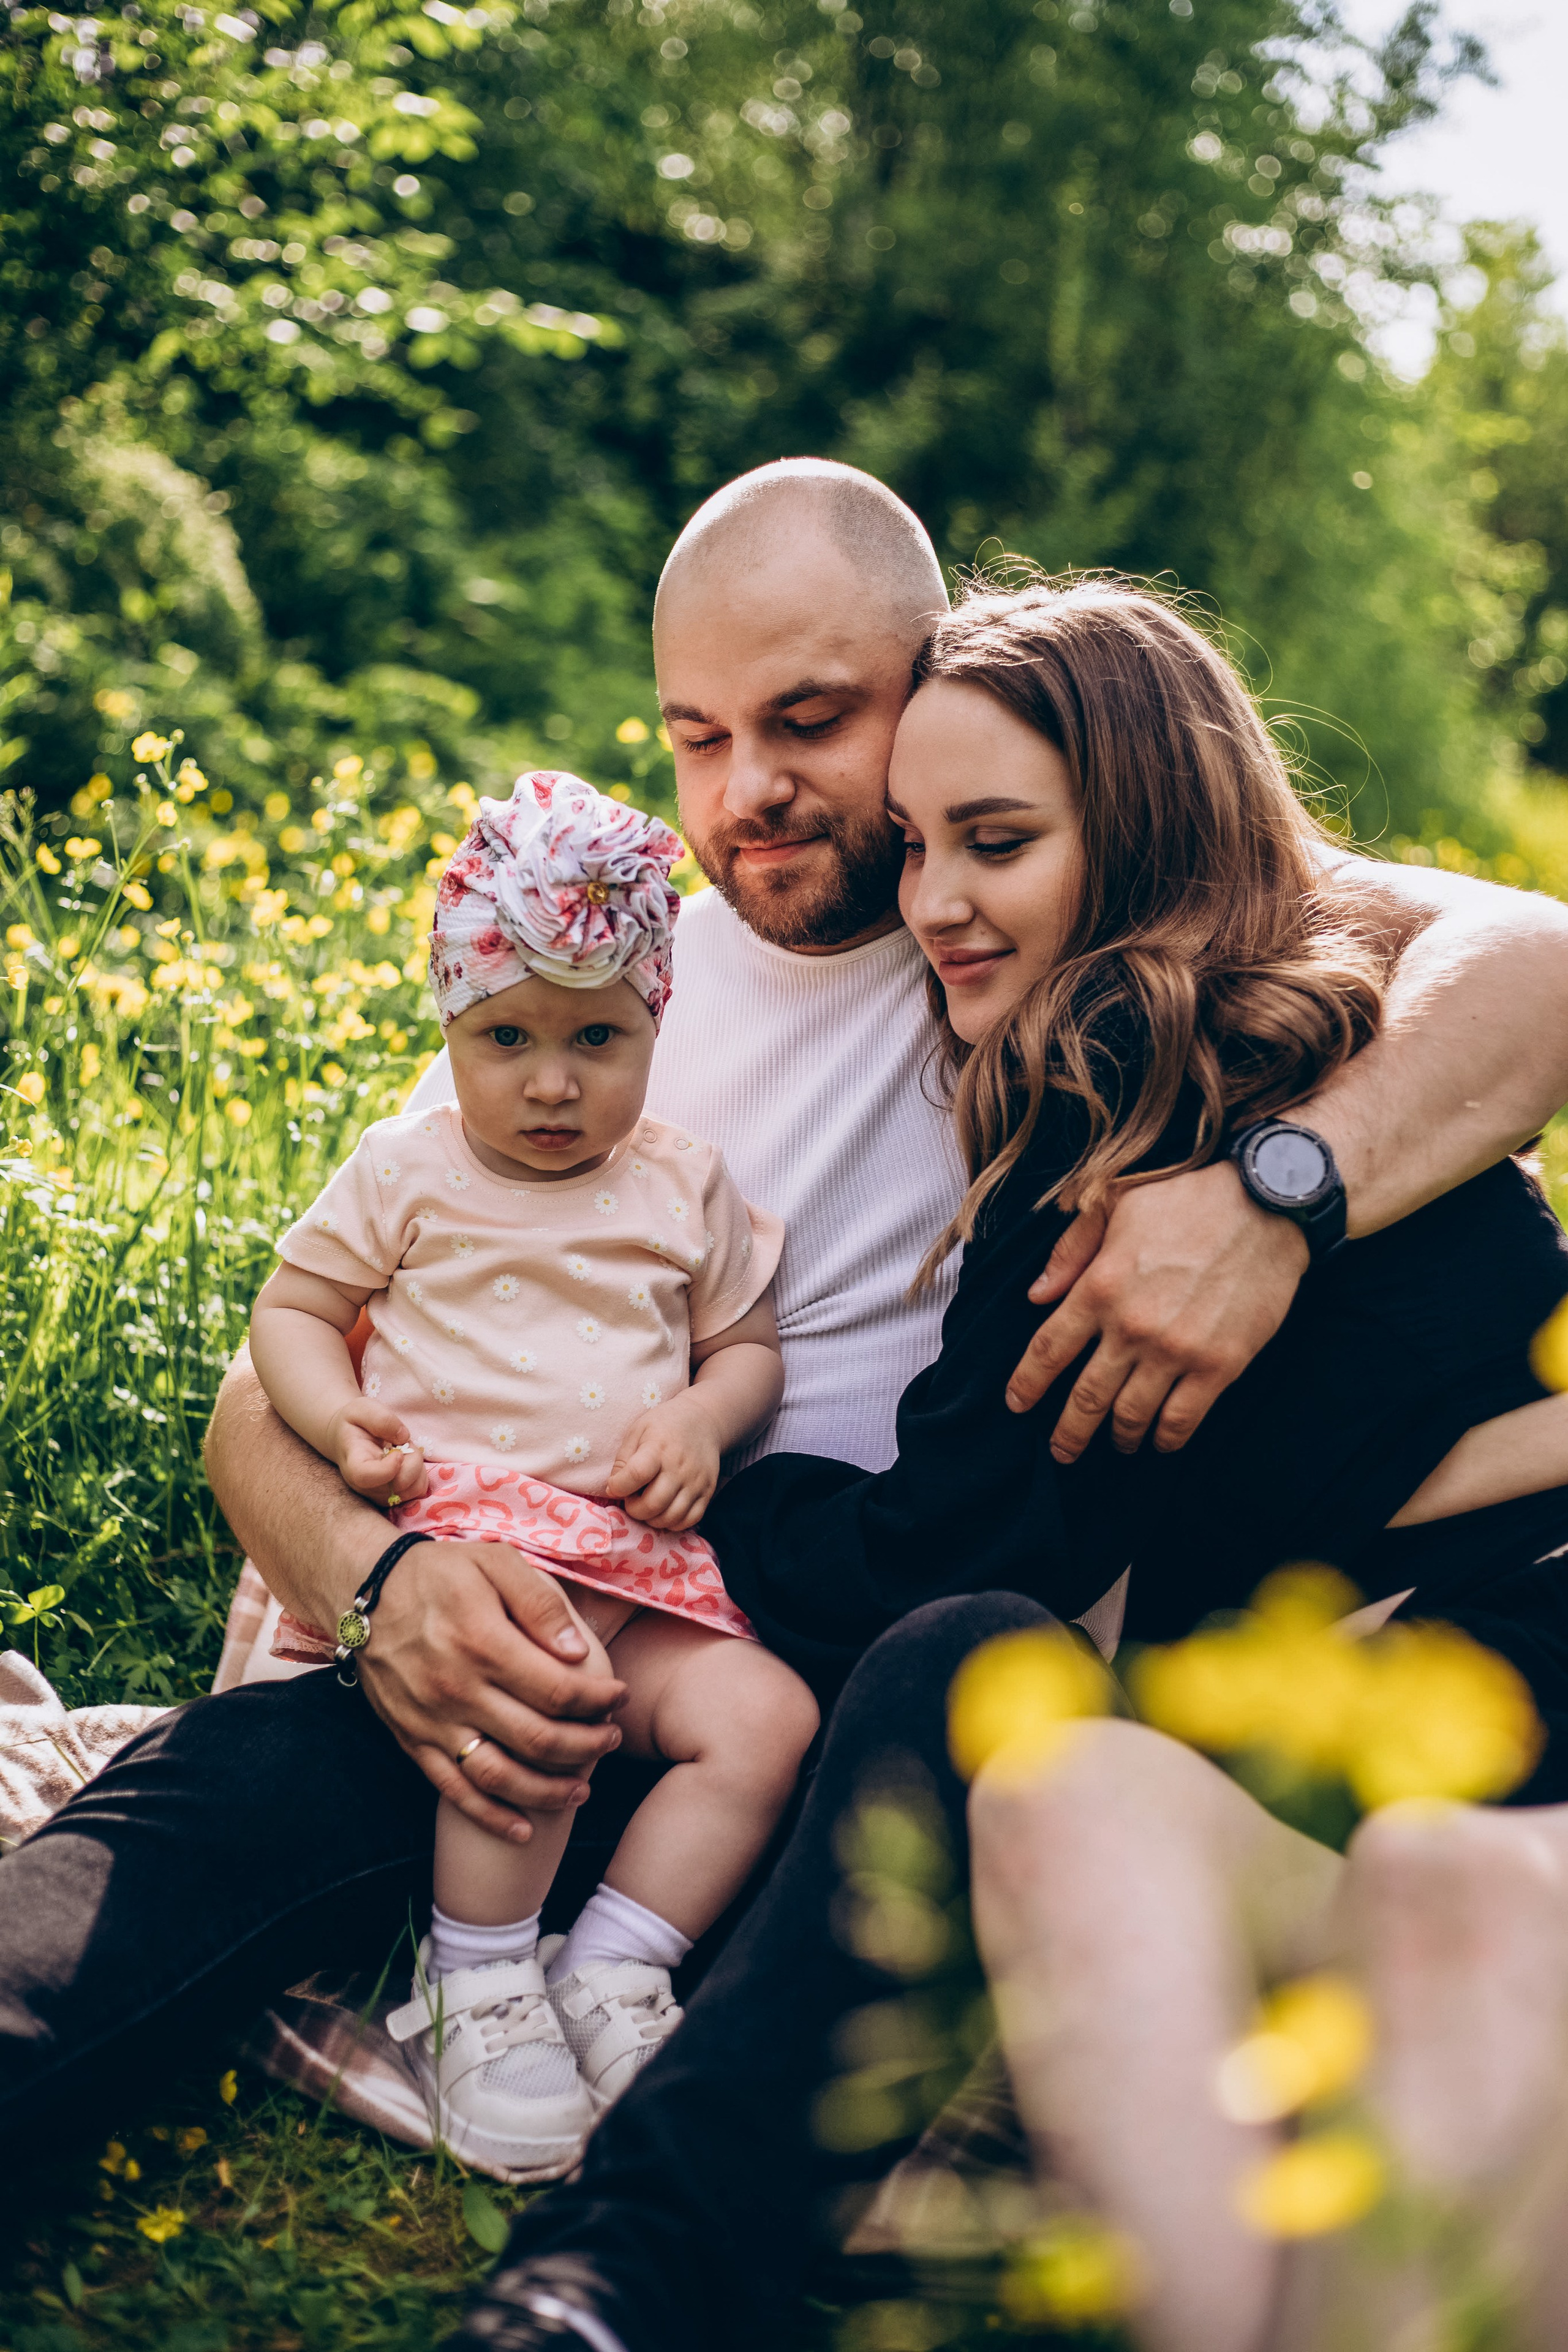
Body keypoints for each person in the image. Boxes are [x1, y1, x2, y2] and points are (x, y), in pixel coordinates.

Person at [4, 462, 1568, 2187]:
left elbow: (1537, 960)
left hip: (842, 1667)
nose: (746, 791)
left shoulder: (1072, 921)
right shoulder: (602, 995)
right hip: (552, 1615)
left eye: (809, 721)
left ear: (935, 680)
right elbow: (271, 1382)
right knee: (198, 1835)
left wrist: (1280, 1193)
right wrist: (382, 1589)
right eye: (696, 736)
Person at [444, 576, 1568, 2352]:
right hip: (1391, 1724)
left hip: (1492, 1695)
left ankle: (613, 2277)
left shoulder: (1117, 1064)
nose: (935, 904)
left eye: (997, 841)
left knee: (957, 1655)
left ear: (1143, 831)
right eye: (914, 846)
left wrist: (658, 1491)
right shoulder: (1329, 1029)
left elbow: (946, 1544)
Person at [246, 771, 813, 2180]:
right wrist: (336, 1418)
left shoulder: (681, 1184)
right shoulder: (408, 1171)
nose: (552, 1082)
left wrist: (704, 1421)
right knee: (544, 1682)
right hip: (463, 1547)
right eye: (506, 1037)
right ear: (449, 1026)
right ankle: (477, 1974)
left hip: (633, 1564)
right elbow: (293, 1313)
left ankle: (612, 1961)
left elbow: (744, 1348)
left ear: (654, 1026)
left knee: (765, 1717)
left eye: (596, 1038)